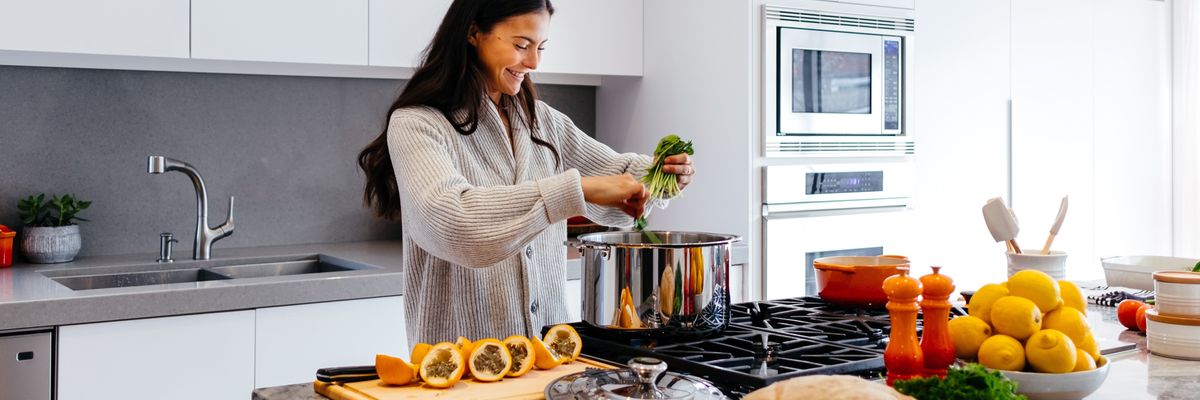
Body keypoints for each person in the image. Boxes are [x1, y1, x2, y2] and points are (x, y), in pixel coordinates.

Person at [357, 0, 694, 345]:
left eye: (540, 47)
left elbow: (616, 176)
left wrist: (659, 175)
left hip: (550, 359)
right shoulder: (418, 124)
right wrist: (573, 190)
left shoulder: (542, 121)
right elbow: (453, 222)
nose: (533, 62)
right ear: (473, 32)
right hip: (460, 367)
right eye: (521, 45)